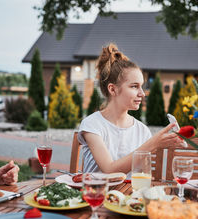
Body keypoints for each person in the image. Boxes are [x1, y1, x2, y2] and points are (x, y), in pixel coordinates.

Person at [78, 43, 184, 175]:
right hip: (95, 194)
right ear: (113, 89)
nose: (142, 93)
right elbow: (109, 170)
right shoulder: (92, 124)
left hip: (129, 195)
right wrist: (154, 143)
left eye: (142, 86)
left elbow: (143, 176)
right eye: (134, 86)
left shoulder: (142, 130)